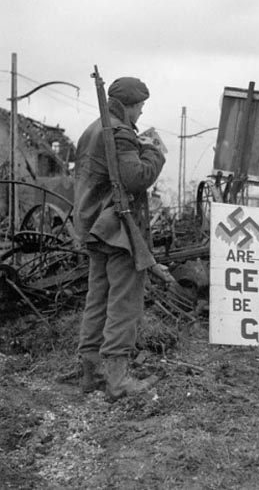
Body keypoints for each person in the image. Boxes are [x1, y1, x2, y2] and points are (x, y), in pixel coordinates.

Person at [73, 76, 166, 401]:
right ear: (129, 104)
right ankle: (117, 379)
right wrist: (155, 154)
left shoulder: (94, 128)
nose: (141, 113)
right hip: (119, 230)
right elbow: (135, 178)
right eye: (140, 106)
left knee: (97, 299)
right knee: (124, 303)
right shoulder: (120, 132)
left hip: (95, 226)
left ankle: (91, 372)